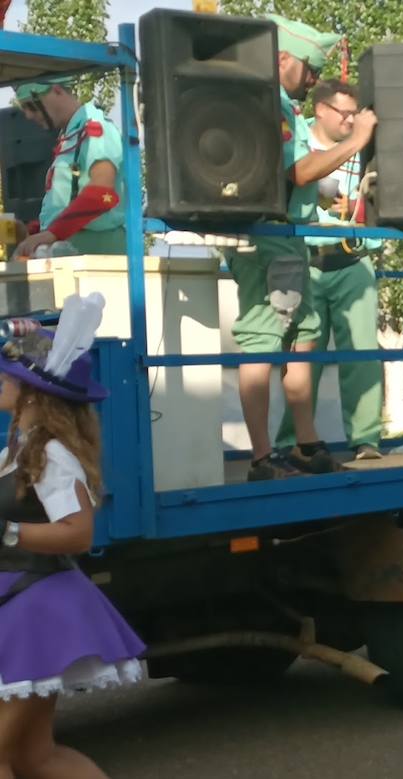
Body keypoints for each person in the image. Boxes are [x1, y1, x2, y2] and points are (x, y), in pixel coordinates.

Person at [0, 293, 146, 779]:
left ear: (34, 395)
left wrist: (9, 532)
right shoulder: (20, 446)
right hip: (25, 604)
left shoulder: (52, 454)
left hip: (38, 609)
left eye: (8, 379)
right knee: (32, 757)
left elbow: (78, 533)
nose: (0, 382)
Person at [232, 15, 376, 480]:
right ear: (282, 59)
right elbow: (297, 172)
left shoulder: (270, 101)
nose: (313, 80)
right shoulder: (270, 100)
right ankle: (260, 457)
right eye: (311, 70)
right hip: (271, 239)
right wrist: (357, 141)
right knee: (261, 341)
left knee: (305, 333)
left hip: (287, 238)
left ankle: (305, 444)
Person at [274, 78, 384, 461]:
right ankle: (294, 442)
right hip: (306, 259)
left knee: (362, 354)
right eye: (345, 114)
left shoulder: (366, 140)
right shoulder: (294, 135)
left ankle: (367, 439)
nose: (352, 121)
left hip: (352, 259)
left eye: (356, 114)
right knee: (302, 358)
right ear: (321, 110)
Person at [11, 76, 124, 257]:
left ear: (57, 89)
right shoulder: (70, 137)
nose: (28, 115)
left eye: (32, 106)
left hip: (101, 266)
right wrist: (34, 231)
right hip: (72, 262)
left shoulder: (95, 129)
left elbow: (103, 195)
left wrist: (52, 233)